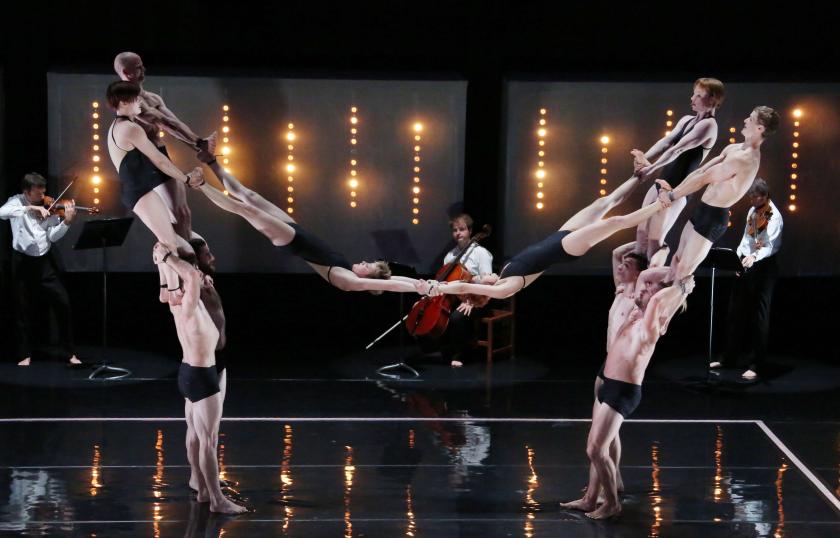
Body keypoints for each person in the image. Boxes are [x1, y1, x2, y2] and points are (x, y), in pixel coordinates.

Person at [188, 151, 433, 295]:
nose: (363, 262)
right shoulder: (350, 270)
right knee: (249, 196)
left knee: (246, 209)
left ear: (370, 278)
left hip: (292, 241)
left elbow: (389, 286)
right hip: (296, 231)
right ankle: (210, 160)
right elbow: (391, 280)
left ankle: (201, 185)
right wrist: (426, 283)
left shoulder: (349, 281)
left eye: (367, 266)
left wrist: (422, 290)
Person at [562, 265, 695, 519]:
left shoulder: (653, 324)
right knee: (597, 447)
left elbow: (658, 300)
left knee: (595, 449)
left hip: (622, 391)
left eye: (651, 287)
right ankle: (590, 499)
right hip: (608, 384)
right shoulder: (636, 313)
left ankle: (612, 503)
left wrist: (681, 283)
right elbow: (644, 276)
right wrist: (671, 273)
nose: (644, 287)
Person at [430, 176, 667, 299]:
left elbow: (470, 284)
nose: (484, 274)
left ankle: (640, 173)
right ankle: (662, 202)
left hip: (560, 236)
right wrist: (438, 287)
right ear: (484, 291)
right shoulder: (504, 289)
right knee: (613, 223)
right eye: (482, 279)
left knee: (603, 202)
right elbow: (464, 286)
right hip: (566, 248)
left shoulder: (502, 275)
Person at [153, 241, 246, 514]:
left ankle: (203, 488)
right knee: (209, 440)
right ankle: (217, 500)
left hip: (189, 373)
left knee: (197, 433)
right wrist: (168, 257)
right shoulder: (190, 304)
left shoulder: (174, 300)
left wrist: (163, 264)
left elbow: (169, 287)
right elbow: (191, 276)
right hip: (201, 375)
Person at [106, 80, 204, 302]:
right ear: (124, 102)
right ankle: (173, 292)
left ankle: (166, 290)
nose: (140, 102)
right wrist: (186, 179)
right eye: (136, 99)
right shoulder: (130, 128)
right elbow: (159, 160)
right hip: (139, 193)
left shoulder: (117, 126)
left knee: (167, 241)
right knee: (169, 243)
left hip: (138, 191)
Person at [657, 106, 781, 281]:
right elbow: (700, 172)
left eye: (751, 119)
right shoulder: (733, 148)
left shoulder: (745, 159)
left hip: (713, 219)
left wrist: (671, 197)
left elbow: (703, 179)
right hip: (702, 209)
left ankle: (677, 296)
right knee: (676, 261)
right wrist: (672, 192)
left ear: (760, 128)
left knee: (684, 271)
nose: (745, 120)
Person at [114, 51, 217, 239]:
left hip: (157, 154)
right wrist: (199, 142)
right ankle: (181, 255)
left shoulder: (153, 98)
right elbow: (165, 123)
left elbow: (174, 124)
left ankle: (186, 253)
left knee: (182, 214)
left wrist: (199, 146)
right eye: (138, 67)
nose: (144, 69)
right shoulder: (129, 101)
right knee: (175, 217)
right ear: (127, 73)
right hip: (143, 162)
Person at [631, 78, 724, 258]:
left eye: (699, 95)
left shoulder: (709, 126)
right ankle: (638, 275)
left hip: (677, 190)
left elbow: (677, 149)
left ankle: (653, 275)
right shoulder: (687, 120)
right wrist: (644, 158)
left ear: (713, 100)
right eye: (693, 94)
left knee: (654, 241)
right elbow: (666, 142)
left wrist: (650, 169)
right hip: (662, 182)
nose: (692, 98)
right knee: (641, 234)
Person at [0, 173, 81, 366]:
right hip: (21, 262)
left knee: (63, 303)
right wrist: (31, 208)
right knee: (22, 309)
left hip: (44, 262)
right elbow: (1, 213)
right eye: (38, 194)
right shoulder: (16, 201)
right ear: (26, 192)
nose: (43, 197)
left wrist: (67, 223)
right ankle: (24, 354)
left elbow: (52, 237)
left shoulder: (50, 207)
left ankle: (69, 352)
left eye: (43, 192)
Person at [713, 178, 782, 380]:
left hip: (764, 266)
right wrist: (738, 259)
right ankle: (729, 358)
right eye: (750, 197)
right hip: (746, 263)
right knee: (735, 312)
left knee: (759, 317)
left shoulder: (773, 216)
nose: (751, 200)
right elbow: (746, 239)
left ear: (765, 196)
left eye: (755, 197)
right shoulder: (753, 211)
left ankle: (756, 364)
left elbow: (769, 246)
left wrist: (753, 257)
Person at [434, 213, 494, 368]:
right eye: (455, 230)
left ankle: (463, 354)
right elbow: (445, 281)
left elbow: (487, 283)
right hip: (455, 297)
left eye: (462, 229)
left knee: (457, 317)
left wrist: (471, 301)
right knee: (438, 314)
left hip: (479, 299)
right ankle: (445, 349)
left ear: (470, 231)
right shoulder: (450, 256)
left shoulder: (481, 253)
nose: (458, 233)